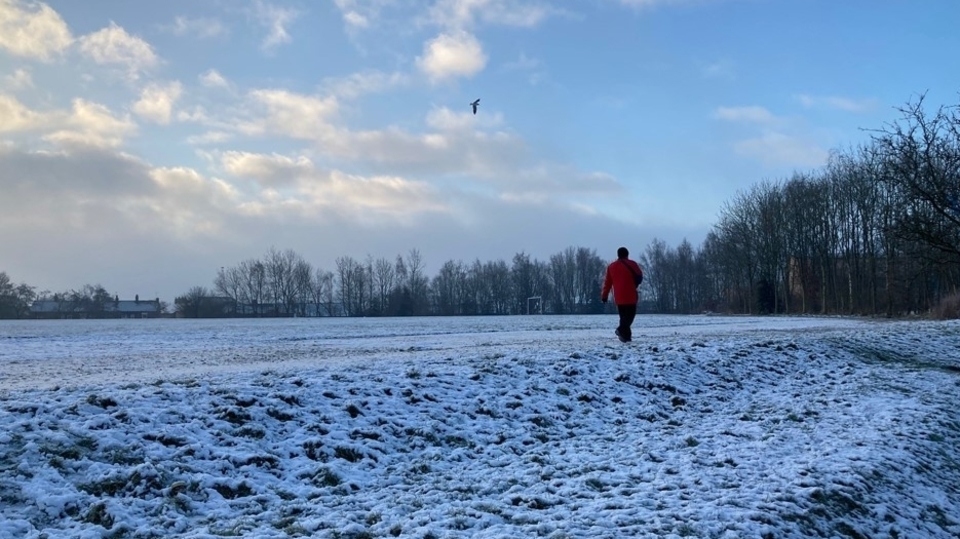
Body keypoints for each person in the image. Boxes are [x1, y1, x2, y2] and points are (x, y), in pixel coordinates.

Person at [601, 246, 643, 342]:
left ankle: (626, 338)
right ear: (627, 255)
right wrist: (635, 284)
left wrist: (604, 295)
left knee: (623, 317)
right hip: (631, 294)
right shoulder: (632, 264)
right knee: (629, 317)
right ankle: (620, 330)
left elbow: (607, 283)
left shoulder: (611, 267)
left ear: (618, 255)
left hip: (619, 297)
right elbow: (640, 277)